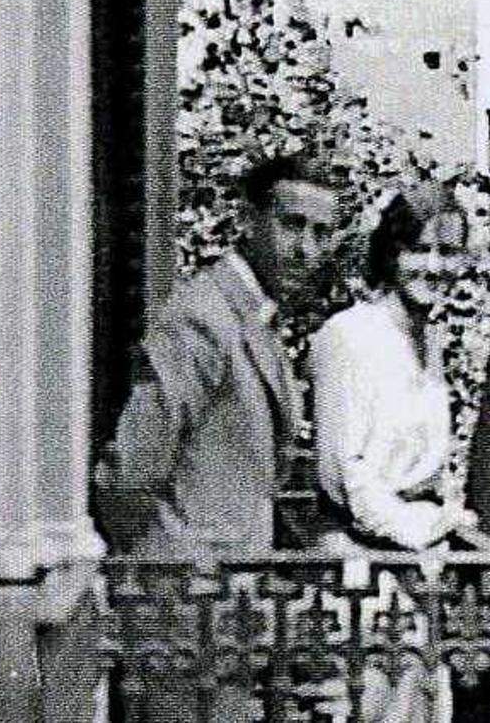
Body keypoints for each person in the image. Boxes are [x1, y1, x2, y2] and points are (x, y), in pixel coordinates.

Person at [87, 152, 342, 722]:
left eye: (321, 233)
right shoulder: (202, 316)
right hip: (183, 613)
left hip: (230, 613)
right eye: (292, 225)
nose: (306, 249)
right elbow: (129, 475)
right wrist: (173, 574)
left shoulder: (255, 318)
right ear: (249, 220)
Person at [304, 190, 478, 723]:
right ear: (390, 253)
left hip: (417, 568)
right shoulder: (349, 337)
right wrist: (433, 526)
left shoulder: (431, 340)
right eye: (419, 250)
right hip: (362, 570)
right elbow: (350, 479)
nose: (435, 267)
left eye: (448, 252)